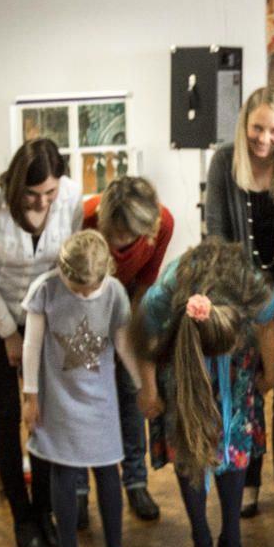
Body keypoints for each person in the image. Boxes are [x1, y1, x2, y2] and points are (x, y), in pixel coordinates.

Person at [134, 238, 274, 547]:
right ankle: (201, 542)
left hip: (237, 372)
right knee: (190, 451)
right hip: (183, 369)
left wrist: (270, 371)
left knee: (235, 449)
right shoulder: (164, 296)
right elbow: (143, 342)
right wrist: (150, 389)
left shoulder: (254, 289)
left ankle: (232, 541)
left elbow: (267, 327)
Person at [0, 138, 83, 547]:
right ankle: (21, 517)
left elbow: (68, 265)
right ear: (17, 186)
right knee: (8, 412)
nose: (42, 201)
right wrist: (9, 335)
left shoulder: (69, 195)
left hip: (44, 315)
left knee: (44, 412)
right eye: (33, 194)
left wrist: (45, 328)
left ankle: (44, 512)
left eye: (49, 192)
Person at [205, 86, 274, 519]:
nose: (264, 139)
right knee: (248, 389)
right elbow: (216, 234)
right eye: (257, 128)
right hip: (238, 295)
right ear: (244, 124)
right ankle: (249, 480)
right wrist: (251, 293)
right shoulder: (222, 159)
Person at [21, 230, 141, 547]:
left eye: (91, 288)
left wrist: (141, 386)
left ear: (106, 274)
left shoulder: (115, 293)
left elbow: (124, 345)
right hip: (57, 399)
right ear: (62, 270)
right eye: (77, 288)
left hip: (100, 400)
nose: (85, 294)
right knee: (65, 473)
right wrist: (30, 397)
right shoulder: (45, 289)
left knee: (107, 471)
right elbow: (31, 346)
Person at [75, 176, 174, 525]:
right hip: (83, 297)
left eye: (123, 242)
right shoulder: (82, 217)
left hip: (130, 297)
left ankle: (135, 481)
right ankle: (79, 492)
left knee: (131, 388)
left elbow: (144, 286)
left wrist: (127, 340)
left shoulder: (163, 224)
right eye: (110, 239)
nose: (116, 249)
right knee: (86, 397)